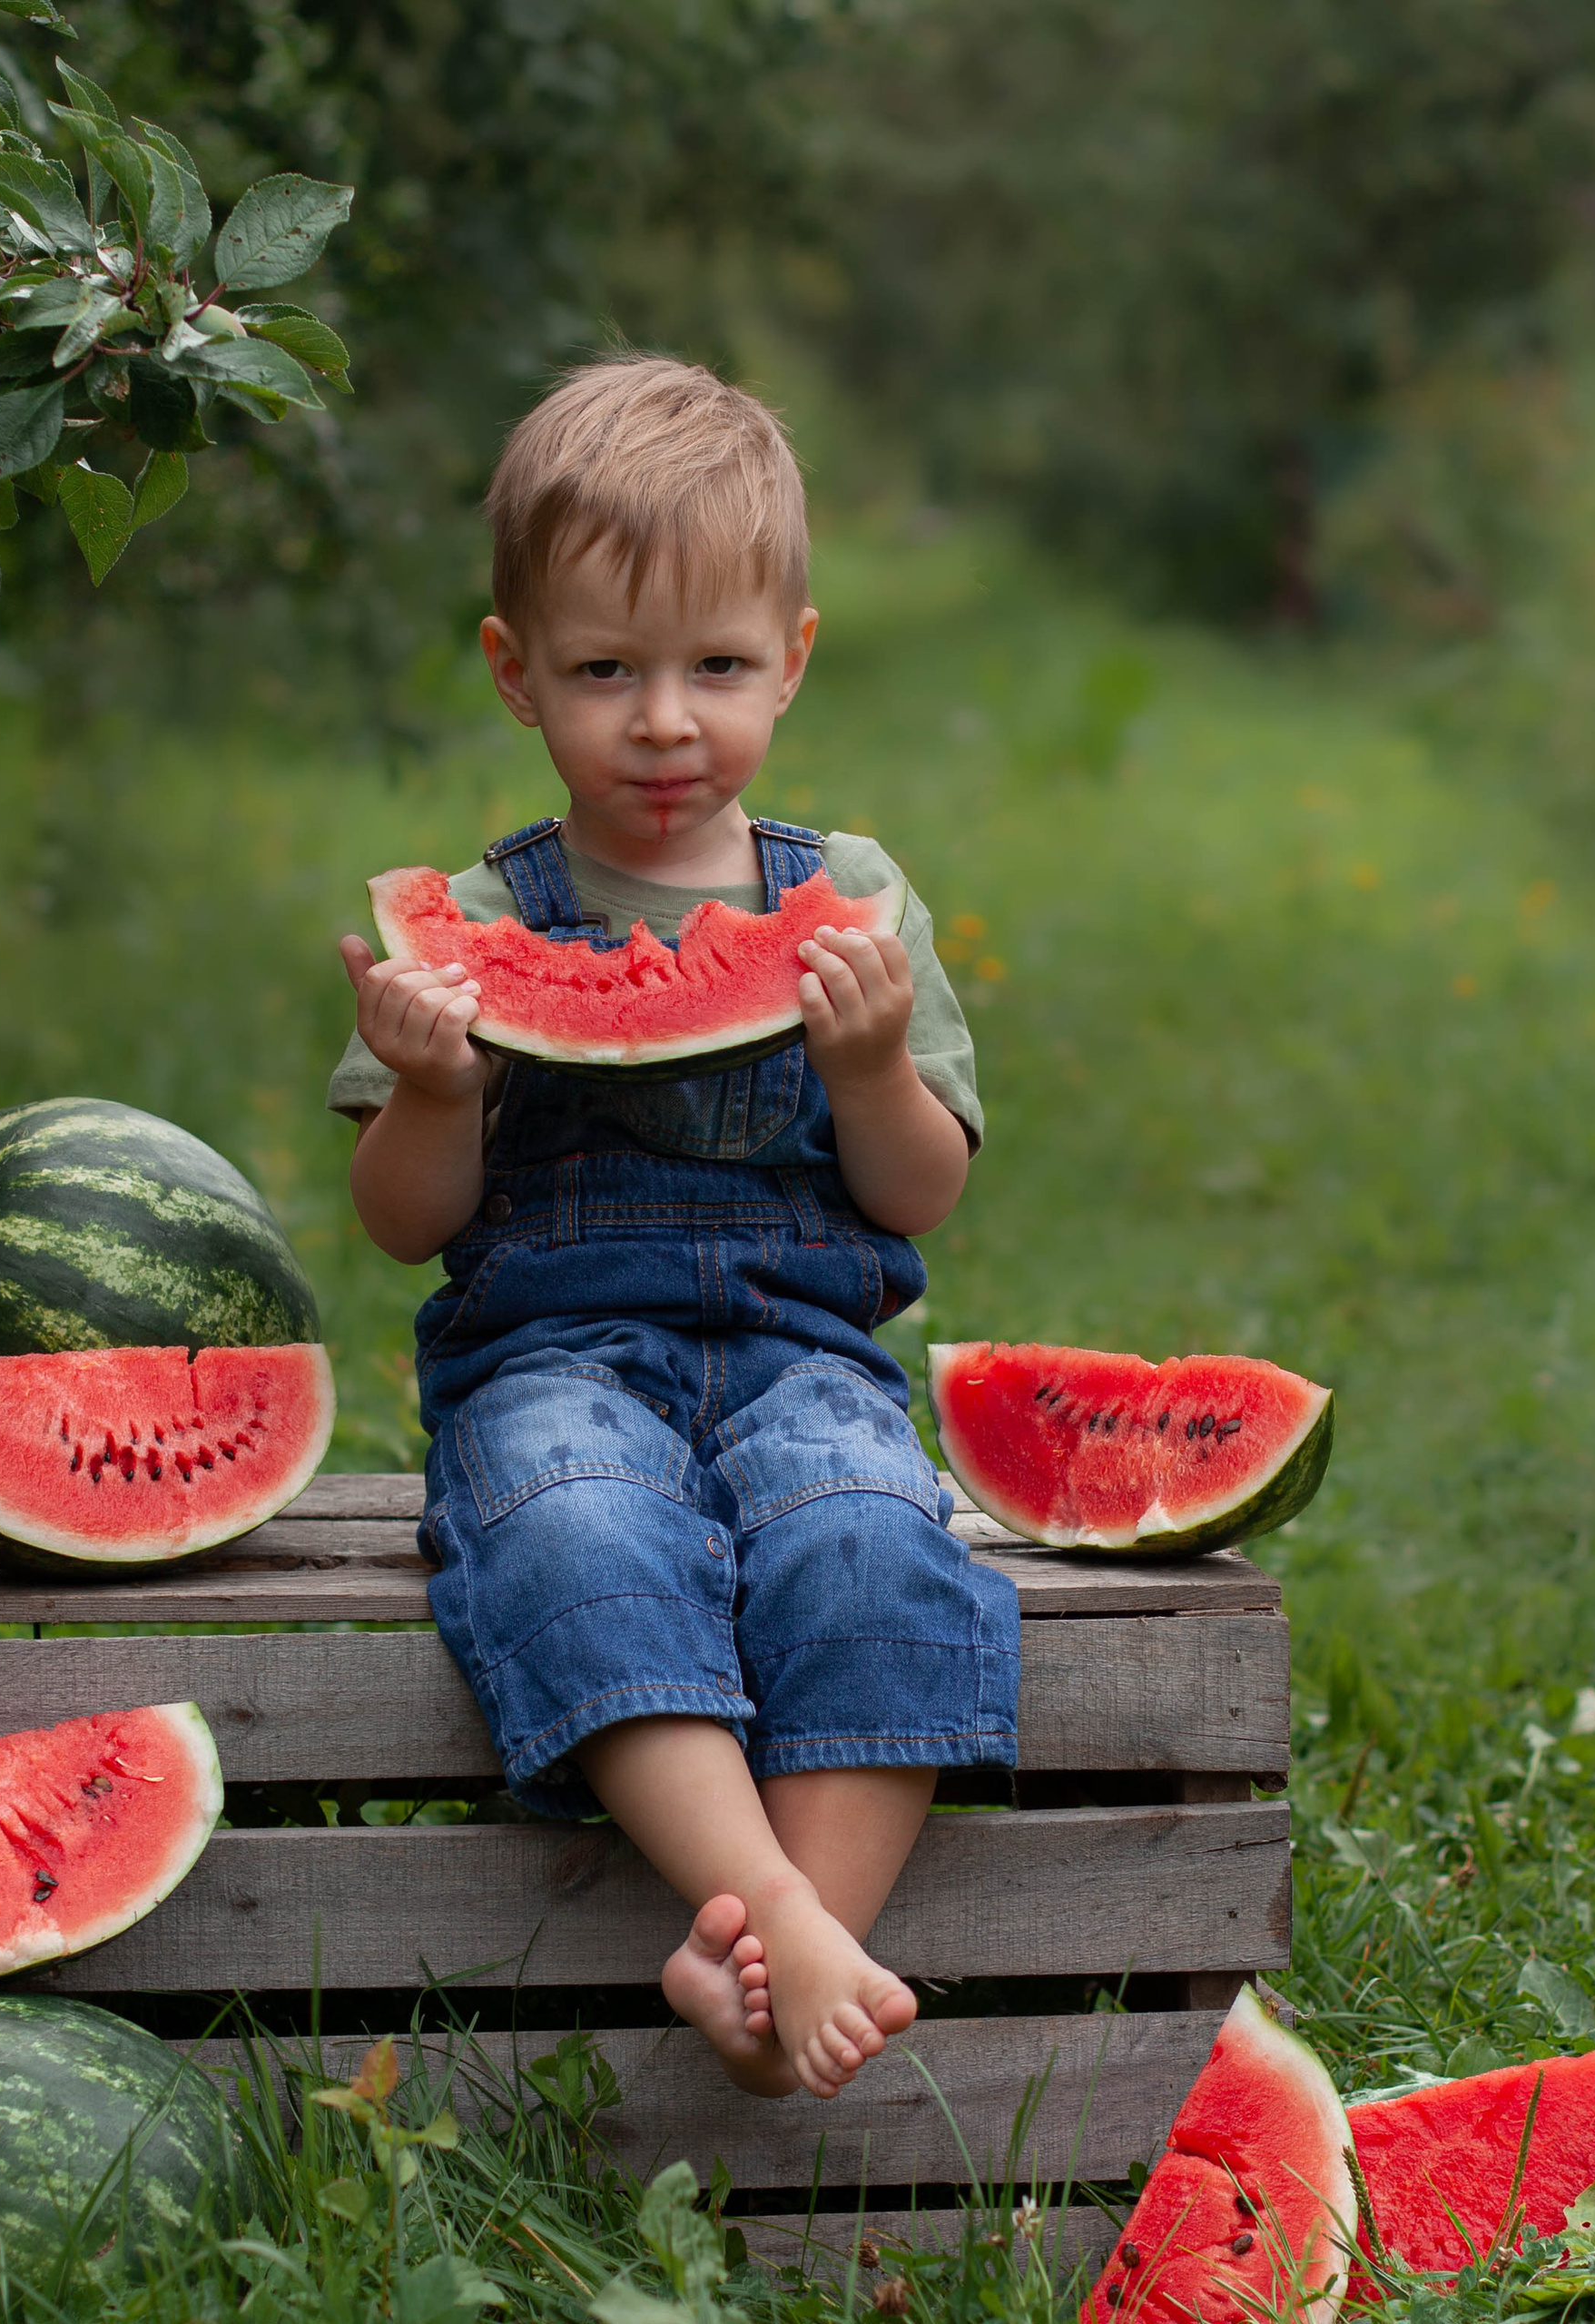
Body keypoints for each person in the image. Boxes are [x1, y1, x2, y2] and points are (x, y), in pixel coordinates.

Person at [330, 355, 1019, 2101]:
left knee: (877, 1539)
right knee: (572, 1529)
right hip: (549, 1360)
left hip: (806, 1357)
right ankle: (776, 1909)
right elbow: (405, 1228)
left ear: (792, 656)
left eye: (715, 668)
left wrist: (867, 1065)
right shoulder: (479, 920)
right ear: (515, 675)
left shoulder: (848, 901)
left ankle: (783, 1968)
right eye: (603, 671)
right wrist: (427, 1089)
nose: (662, 722)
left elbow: (917, 1192)